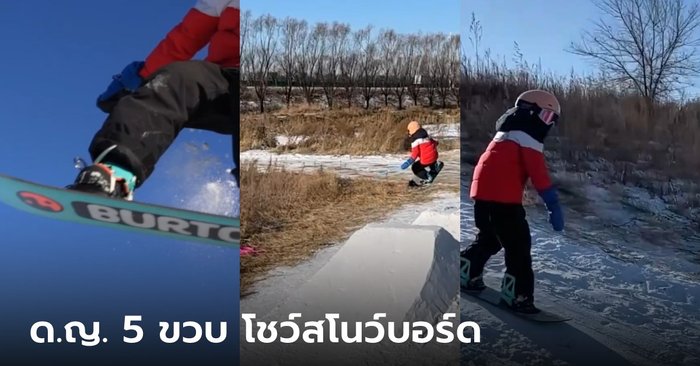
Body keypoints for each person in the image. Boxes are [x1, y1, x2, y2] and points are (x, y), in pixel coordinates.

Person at [68, 0, 239, 201]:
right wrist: (143, 76)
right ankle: (115, 175)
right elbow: (186, 37)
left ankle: (266, 195)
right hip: (224, 81)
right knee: (176, 78)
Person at [460, 89, 564, 314]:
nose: (548, 125)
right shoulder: (527, 134)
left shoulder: (504, 133)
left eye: (552, 121)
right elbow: (538, 174)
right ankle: (518, 295)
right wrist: (553, 205)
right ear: (531, 111)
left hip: (482, 197)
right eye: (547, 117)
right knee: (518, 246)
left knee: (490, 238)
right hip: (503, 200)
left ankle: (466, 270)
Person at [400, 121, 444, 185]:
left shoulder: (415, 140)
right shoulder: (426, 135)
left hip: (426, 160)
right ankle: (434, 167)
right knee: (430, 156)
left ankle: (427, 177)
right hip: (434, 156)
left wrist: (407, 163)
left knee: (415, 167)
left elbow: (414, 155)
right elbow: (435, 143)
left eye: (409, 131)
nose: (409, 132)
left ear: (412, 130)